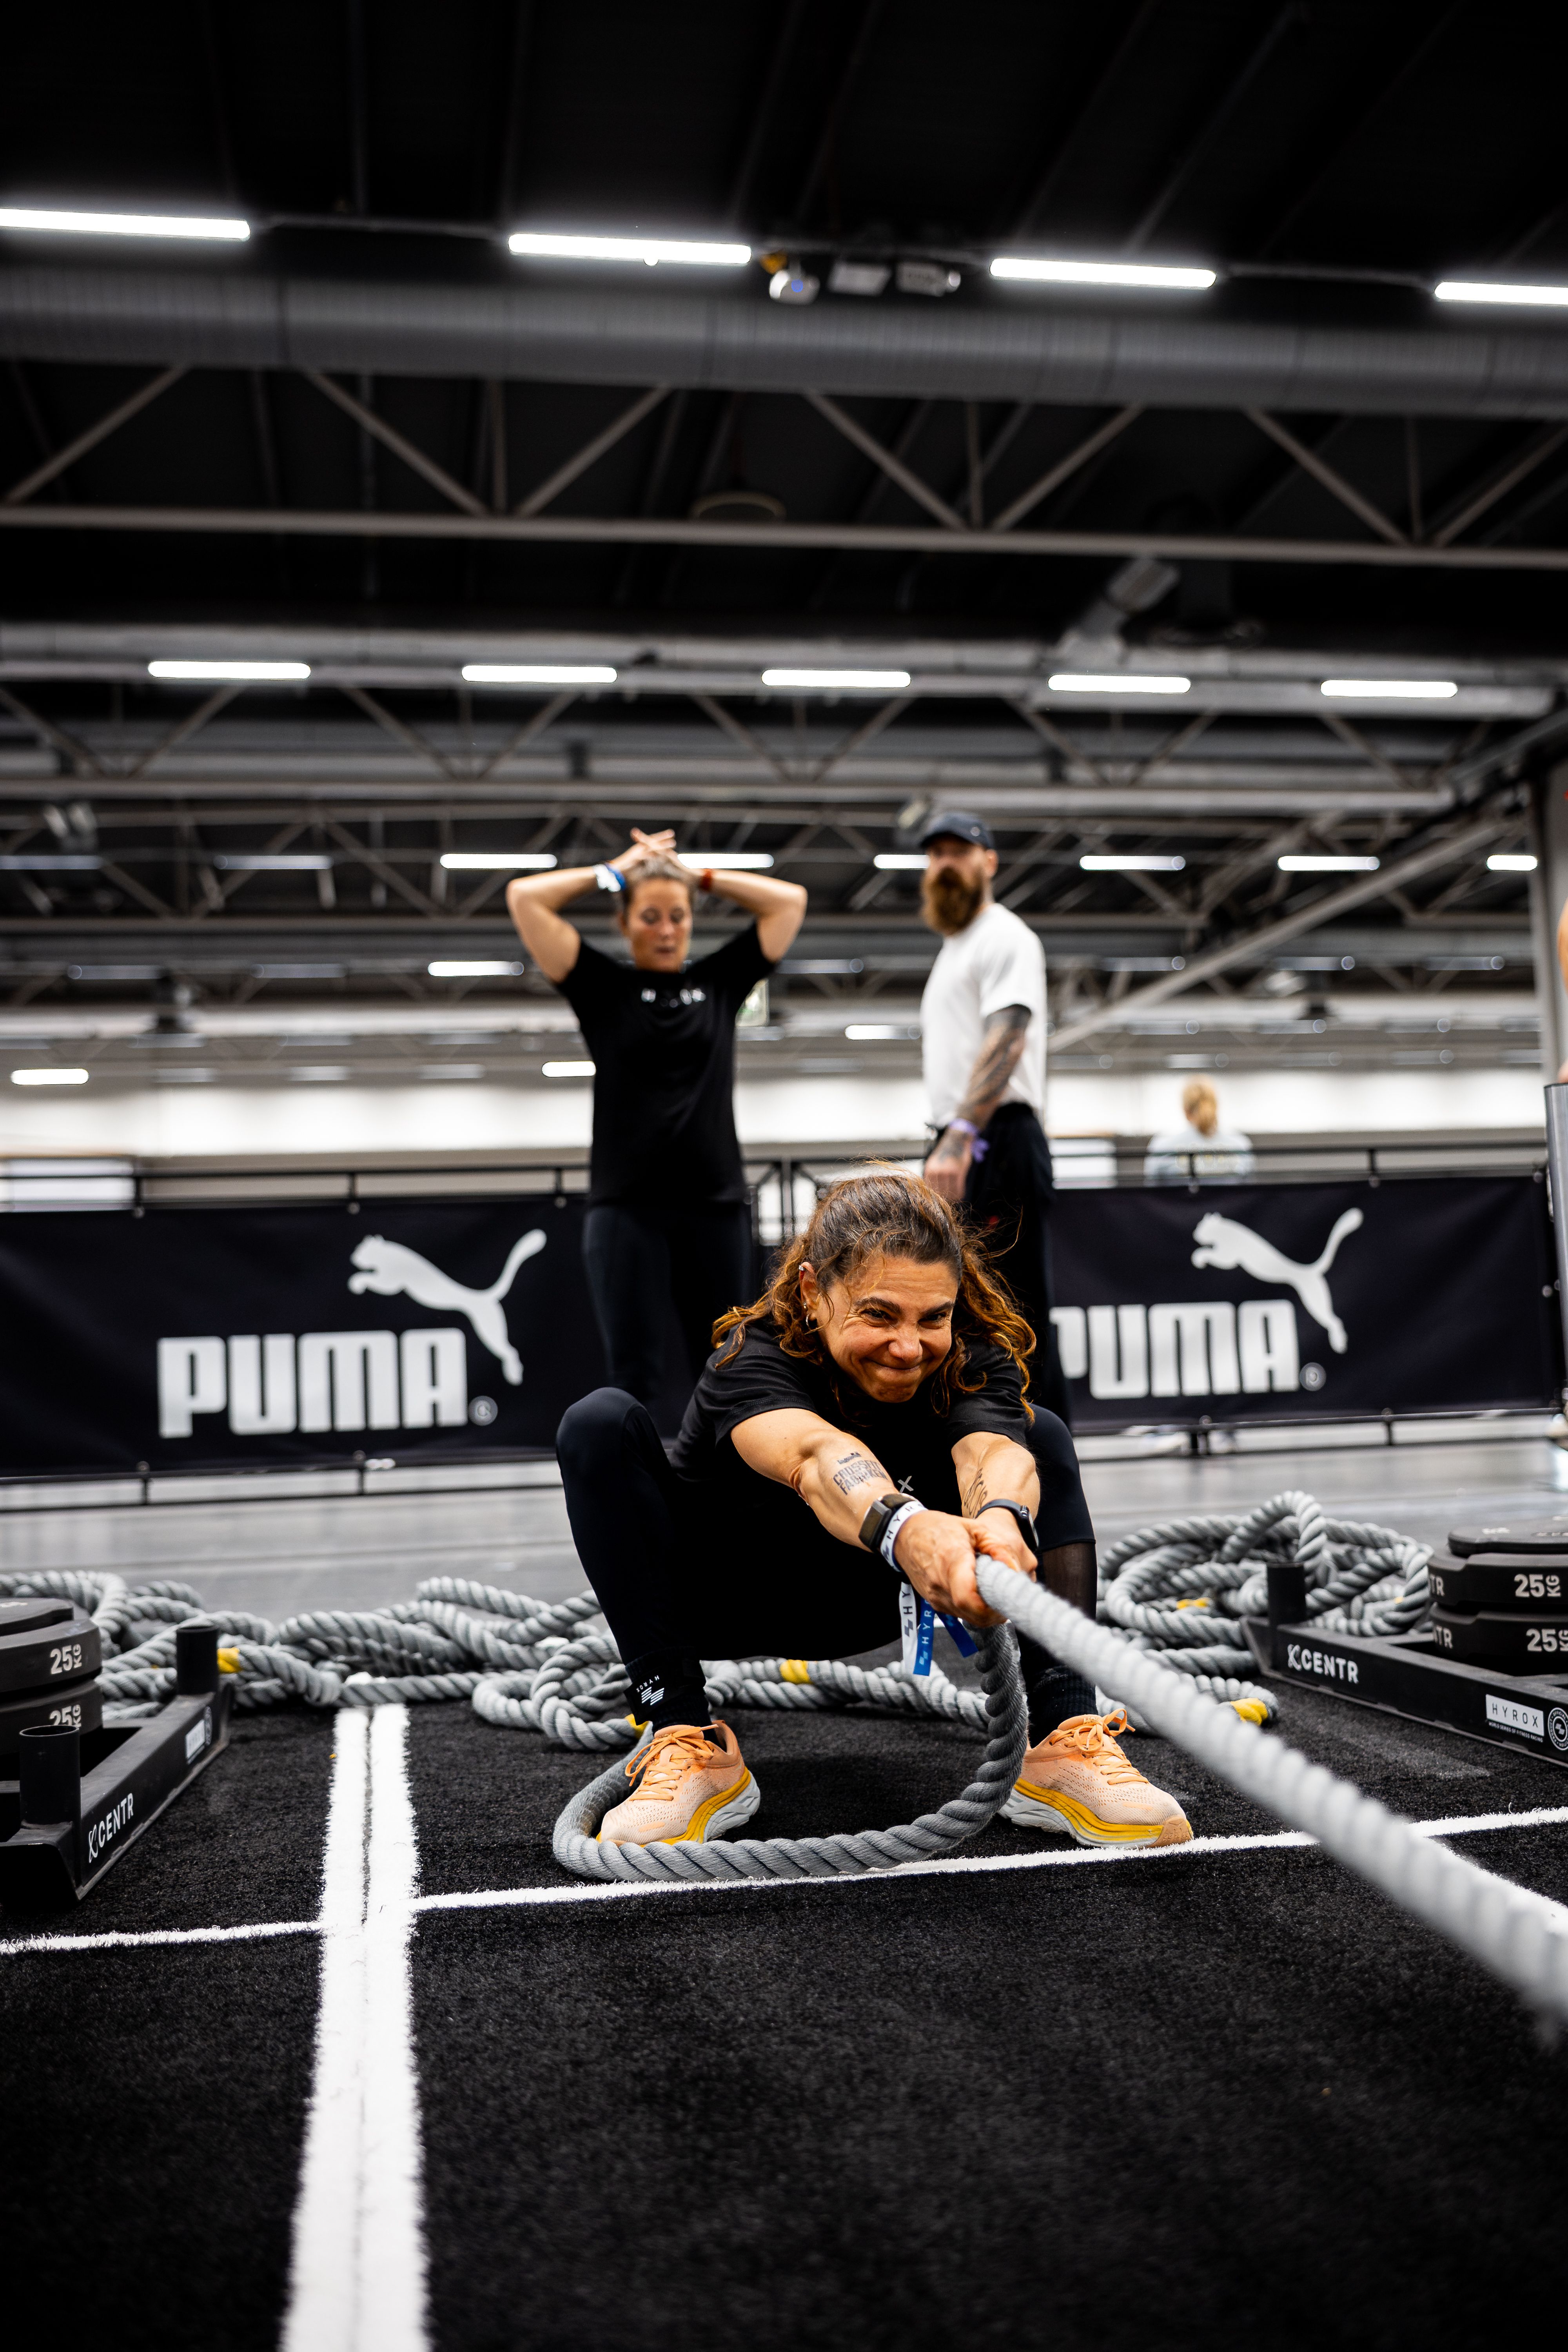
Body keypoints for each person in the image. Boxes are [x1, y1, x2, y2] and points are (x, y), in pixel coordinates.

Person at [557, 1168, 1191, 1851]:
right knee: (598, 1423)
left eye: (934, 1318)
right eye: (879, 1315)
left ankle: (1063, 1740)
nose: (909, 1348)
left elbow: (990, 1456)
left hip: (868, 1601)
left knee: (1041, 1436)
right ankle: (683, 1735)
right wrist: (907, 1527)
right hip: (718, 1603)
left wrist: (1003, 1522)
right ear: (812, 1292)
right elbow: (815, 1459)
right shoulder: (752, 1360)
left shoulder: (970, 1359)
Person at [507, 828, 806, 1405]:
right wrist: (614, 873)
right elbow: (525, 898)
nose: (666, 930)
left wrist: (699, 877)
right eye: (649, 917)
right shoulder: (602, 987)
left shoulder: (718, 982)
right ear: (624, 923)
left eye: (678, 916)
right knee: (635, 1373)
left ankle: (724, 1492)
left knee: (727, 1364)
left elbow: (790, 902)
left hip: (714, 1206)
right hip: (627, 1210)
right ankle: (636, 1492)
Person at [915, 810, 1072, 1425]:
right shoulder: (955, 949)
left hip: (993, 1138)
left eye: (959, 852)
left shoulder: (1005, 936)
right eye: (936, 855)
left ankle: (1044, 1460)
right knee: (973, 1308)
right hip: (965, 1137)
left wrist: (960, 1137)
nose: (945, 864)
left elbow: (1007, 1038)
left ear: (989, 862)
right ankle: (991, 1444)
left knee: (1017, 1310)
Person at [1143, 1080, 1256, 1182]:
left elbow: (1152, 1191)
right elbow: (1249, 1194)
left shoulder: (1163, 1145)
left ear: (1186, 1110)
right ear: (1216, 1106)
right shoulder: (1240, 1144)